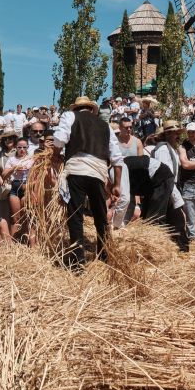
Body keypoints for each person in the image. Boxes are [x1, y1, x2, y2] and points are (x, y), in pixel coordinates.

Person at [54, 95, 125, 268]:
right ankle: (105, 255)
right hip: (98, 174)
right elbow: (117, 159)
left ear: (76, 108)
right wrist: (116, 185)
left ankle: (77, 261)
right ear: (92, 109)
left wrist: (56, 155)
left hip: (76, 170)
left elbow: (59, 139)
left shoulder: (70, 116)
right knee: (101, 216)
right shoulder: (105, 125)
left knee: (75, 216)